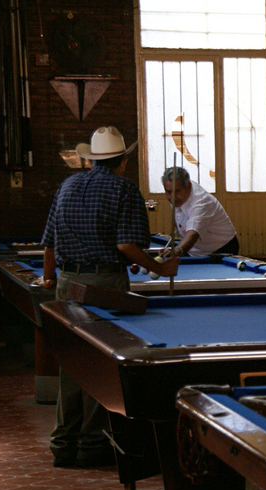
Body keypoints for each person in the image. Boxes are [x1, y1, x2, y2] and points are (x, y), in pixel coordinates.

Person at [36, 126, 179, 468]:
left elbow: (50, 243)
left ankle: (62, 444)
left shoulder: (67, 185)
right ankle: (92, 444)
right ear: (123, 161)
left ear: (92, 159)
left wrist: (50, 278)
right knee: (103, 364)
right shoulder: (123, 189)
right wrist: (160, 268)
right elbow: (126, 245)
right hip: (105, 284)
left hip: (67, 280)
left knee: (73, 362)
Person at [161, 166, 239, 257]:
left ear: (188, 187)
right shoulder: (177, 195)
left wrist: (178, 250)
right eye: (168, 192)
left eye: (177, 191)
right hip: (195, 250)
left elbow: (193, 233)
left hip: (221, 249)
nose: (172, 197)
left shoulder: (201, 202)